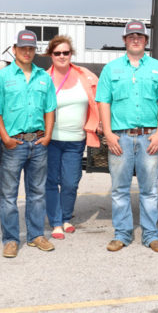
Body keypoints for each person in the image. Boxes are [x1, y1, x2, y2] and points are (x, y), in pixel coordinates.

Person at [96, 21, 158, 253]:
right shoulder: (111, 69)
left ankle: (150, 235)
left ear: (146, 41)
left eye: (139, 36)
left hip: (149, 137)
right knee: (119, 189)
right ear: (124, 40)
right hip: (121, 137)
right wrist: (108, 133)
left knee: (150, 190)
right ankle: (122, 234)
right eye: (131, 36)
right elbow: (103, 101)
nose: (135, 39)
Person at [0, 30, 56, 258]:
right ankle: (10, 239)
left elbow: (50, 109)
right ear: (15, 49)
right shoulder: (2, 77)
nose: (27, 52)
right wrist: (5, 138)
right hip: (13, 144)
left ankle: (36, 235)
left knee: (37, 192)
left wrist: (47, 136)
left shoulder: (44, 77)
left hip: (38, 142)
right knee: (8, 195)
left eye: (31, 48)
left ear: (35, 50)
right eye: (23, 48)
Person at [44, 35, 100, 240]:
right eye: (57, 53)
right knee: (51, 181)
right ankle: (56, 222)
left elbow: (102, 95)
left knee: (70, 182)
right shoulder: (44, 78)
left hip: (76, 140)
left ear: (71, 54)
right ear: (51, 55)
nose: (61, 56)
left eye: (65, 52)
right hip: (50, 139)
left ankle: (66, 216)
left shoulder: (84, 75)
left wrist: (100, 122)